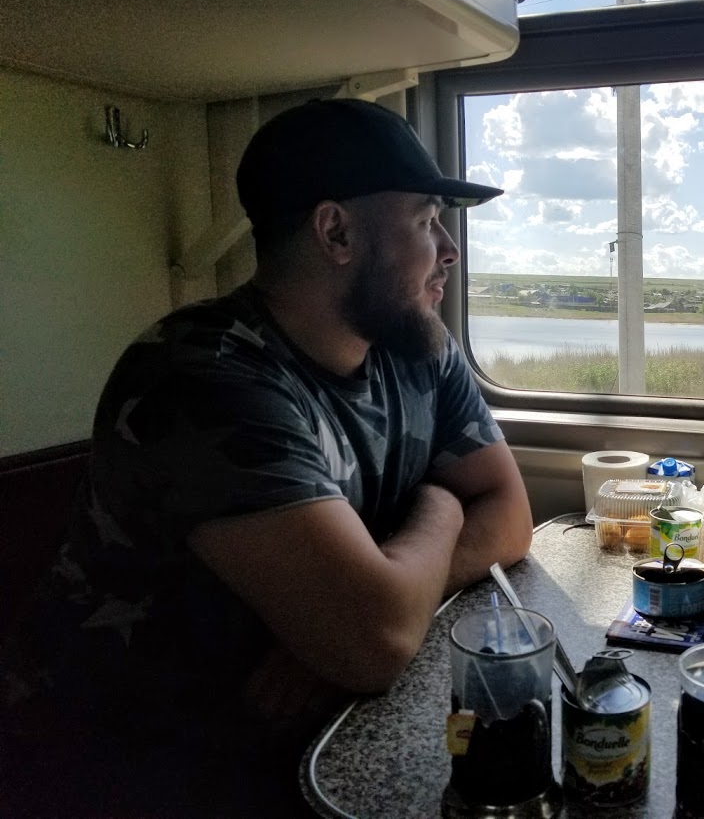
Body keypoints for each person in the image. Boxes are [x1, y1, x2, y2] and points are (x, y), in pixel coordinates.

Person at [0, 98, 533, 817]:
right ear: (336, 231)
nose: (449, 247)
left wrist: (352, 613)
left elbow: (510, 516)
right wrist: (436, 510)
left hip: (287, 722)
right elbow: (375, 642)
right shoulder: (203, 379)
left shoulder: (414, 345)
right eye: (424, 218)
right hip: (123, 756)